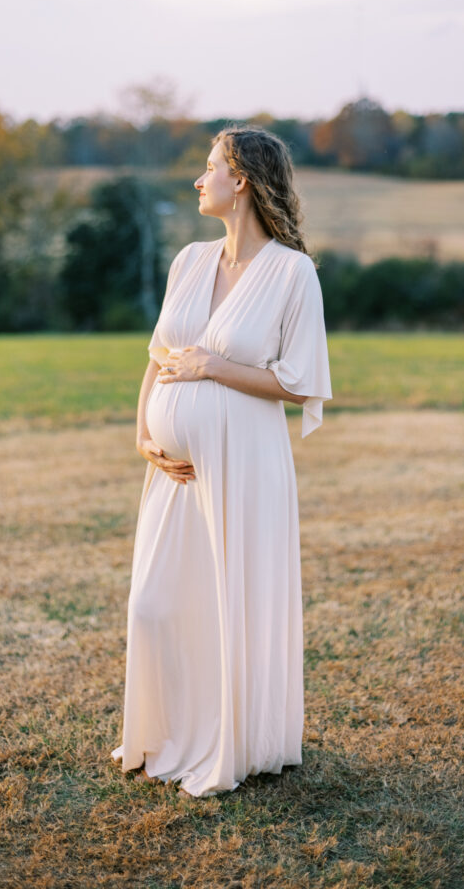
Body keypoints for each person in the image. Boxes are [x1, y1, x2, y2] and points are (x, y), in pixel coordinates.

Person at [111, 125, 332, 798]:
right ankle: (167, 732)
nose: (198, 180)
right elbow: (157, 356)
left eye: (209, 168)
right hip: (172, 472)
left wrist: (217, 366)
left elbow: (299, 382)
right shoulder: (188, 260)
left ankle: (228, 742)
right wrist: (142, 434)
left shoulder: (293, 272)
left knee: (226, 605)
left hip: (245, 465)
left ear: (240, 180)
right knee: (155, 605)